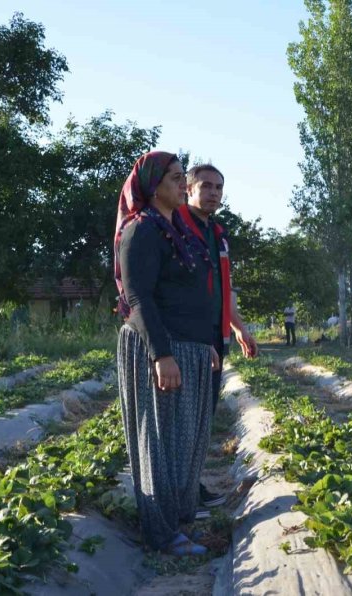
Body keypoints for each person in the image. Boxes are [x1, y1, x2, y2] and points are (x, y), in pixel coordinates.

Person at [114, 151, 218, 556]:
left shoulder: (178, 230)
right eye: (175, 177)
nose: (181, 183)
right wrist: (161, 355)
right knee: (159, 442)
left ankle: (178, 519)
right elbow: (139, 299)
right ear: (153, 184)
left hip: (189, 346)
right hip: (160, 348)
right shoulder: (141, 230)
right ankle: (160, 533)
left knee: (185, 440)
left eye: (180, 176)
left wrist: (205, 341)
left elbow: (190, 293)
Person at [177, 163, 258, 513]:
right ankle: (180, 492)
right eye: (206, 186)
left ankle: (192, 486)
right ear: (188, 189)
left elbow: (222, 290)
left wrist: (238, 326)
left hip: (215, 335)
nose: (213, 193)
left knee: (203, 415)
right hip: (188, 337)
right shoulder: (176, 227)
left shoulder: (218, 234)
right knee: (186, 416)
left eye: (218, 188)